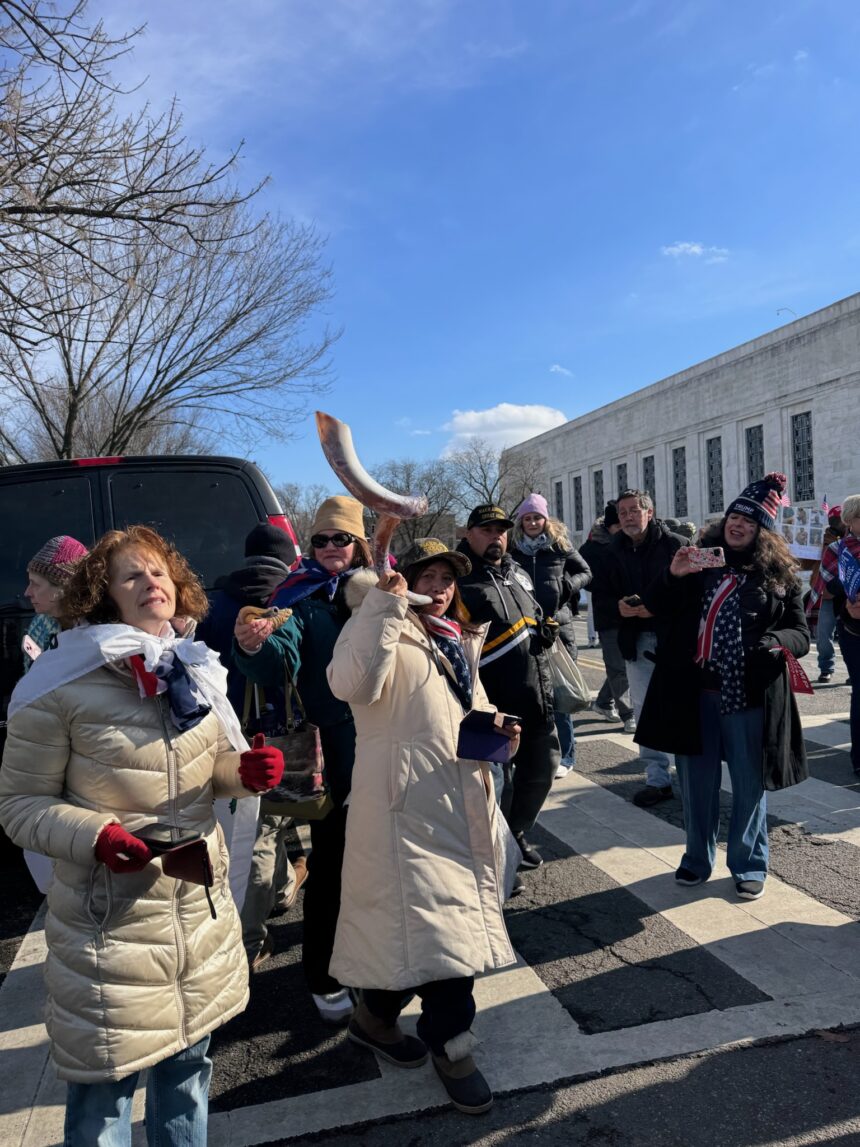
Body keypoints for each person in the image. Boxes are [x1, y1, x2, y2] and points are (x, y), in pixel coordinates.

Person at [0, 525, 284, 1147]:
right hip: (111, 922)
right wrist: (95, 835)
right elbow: (20, 806)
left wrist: (243, 774)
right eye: (132, 575)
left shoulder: (193, 670)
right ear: (103, 597)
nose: (150, 582)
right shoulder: (56, 686)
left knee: (187, 1072)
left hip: (195, 911)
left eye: (158, 571)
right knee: (105, 1091)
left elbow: (203, 776)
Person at [327, 539, 518, 1116]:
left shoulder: (455, 637)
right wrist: (382, 607)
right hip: (403, 809)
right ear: (400, 582)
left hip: (459, 800)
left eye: (447, 578)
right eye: (426, 577)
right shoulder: (374, 625)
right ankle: (454, 1049)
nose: (439, 587)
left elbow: (465, 709)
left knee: (419, 929)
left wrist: (496, 731)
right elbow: (350, 686)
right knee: (442, 936)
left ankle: (374, 1017)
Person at [636, 473, 810, 901]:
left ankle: (749, 863)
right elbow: (657, 607)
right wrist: (672, 576)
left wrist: (777, 642)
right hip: (695, 694)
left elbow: (800, 632)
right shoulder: (698, 563)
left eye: (748, 522)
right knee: (696, 785)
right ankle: (696, 860)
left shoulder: (779, 575)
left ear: (762, 532)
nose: (738, 525)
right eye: (734, 517)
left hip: (750, 696)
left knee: (749, 783)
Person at [233, 495, 368, 1025]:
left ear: (358, 543)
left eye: (342, 538)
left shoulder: (382, 591)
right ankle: (323, 974)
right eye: (321, 539)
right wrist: (253, 644)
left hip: (391, 753)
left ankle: (371, 960)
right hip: (336, 760)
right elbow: (274, 659)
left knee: (378, 868)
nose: (332, 547)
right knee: (333, 870)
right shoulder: (299, 595)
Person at [197, 523, 307, 970]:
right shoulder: (287, 600)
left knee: (255, 825)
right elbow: (286, 664)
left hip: (220, 734)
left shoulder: (212, 604)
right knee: (265, 830)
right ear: (288, 560)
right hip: (274, 735)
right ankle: (248, 940)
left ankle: (281, 888)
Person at [456, 504, 560, 870]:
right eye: (485, 530)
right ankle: (497, 859)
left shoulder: (516, 571)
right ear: (468, 534)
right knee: (497, 787)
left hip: (536, 693)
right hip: (493, 705)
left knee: (543, 769)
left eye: (501, 530)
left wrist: (544, 628)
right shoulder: (460, 580)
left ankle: (514, 835)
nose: (495, 536)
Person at [600, 490, 685, 806]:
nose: (627, 517)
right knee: (645, 711)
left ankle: (689, 775)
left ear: (650, 512)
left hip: (674, 640)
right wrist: (618, 607)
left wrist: (657, 609)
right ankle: (657, 779)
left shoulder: (674, 544)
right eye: (622, 513)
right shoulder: (613, 550)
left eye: (634, 510)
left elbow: (693, 592)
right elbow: (602, 596)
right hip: (635, 640)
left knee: (680, 708)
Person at [509, 493, 591, 778]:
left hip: (558, 627)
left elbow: (585, 571)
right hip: (525, 629)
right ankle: (535, 752)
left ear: (546, 519)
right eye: (527, 518)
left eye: (537, 517)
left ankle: (566, 756)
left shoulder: (559, 545)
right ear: (521, 522)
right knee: (531, 692)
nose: (532, 522)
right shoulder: (512, 548)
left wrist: (568, 585)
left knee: (559, 696)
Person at [580, 502, 636, 731]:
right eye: (619, 525)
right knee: (618, 667)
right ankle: (629, 713)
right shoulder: (592, 549)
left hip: (632, 613)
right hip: (609, 614)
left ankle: (603, 701)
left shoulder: (629, 543)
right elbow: (588, 580)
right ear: (611, 525)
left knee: (627, 665)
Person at [818, 494, 860, 774]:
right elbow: (828, 586)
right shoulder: (837, 549)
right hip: (854, 628)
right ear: (849, 521)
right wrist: (851, 594)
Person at [21, 535, 88, 669]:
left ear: (64, 588)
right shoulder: (40, 624)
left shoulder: (97, 630)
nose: (27, 593)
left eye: (35, 584)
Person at [808, 506, 846, 683]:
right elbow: (804, 564)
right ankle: (826, 668)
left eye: (837, 520)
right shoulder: (818, 540)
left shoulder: (852, 540)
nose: (835, 523)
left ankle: (854, 669)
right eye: (833, 520)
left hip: (848, 592)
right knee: (824, 635)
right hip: (827, 594)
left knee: (850, 635)